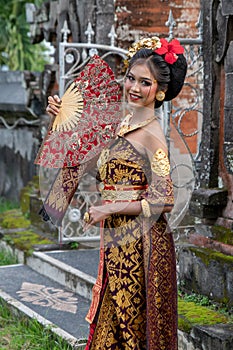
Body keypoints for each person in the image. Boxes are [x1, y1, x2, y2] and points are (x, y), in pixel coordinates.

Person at [44, 36, 187, 350]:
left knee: (131, 329)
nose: (134, 87)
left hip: (144, 245)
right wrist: (63, 119)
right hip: (118, 242)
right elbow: (91, 163)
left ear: (160, 91)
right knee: (112, 326)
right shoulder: (121, 124)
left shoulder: (153, 135)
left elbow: (165, 199)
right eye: (131, 78)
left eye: (144, 83)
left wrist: (109, 209)